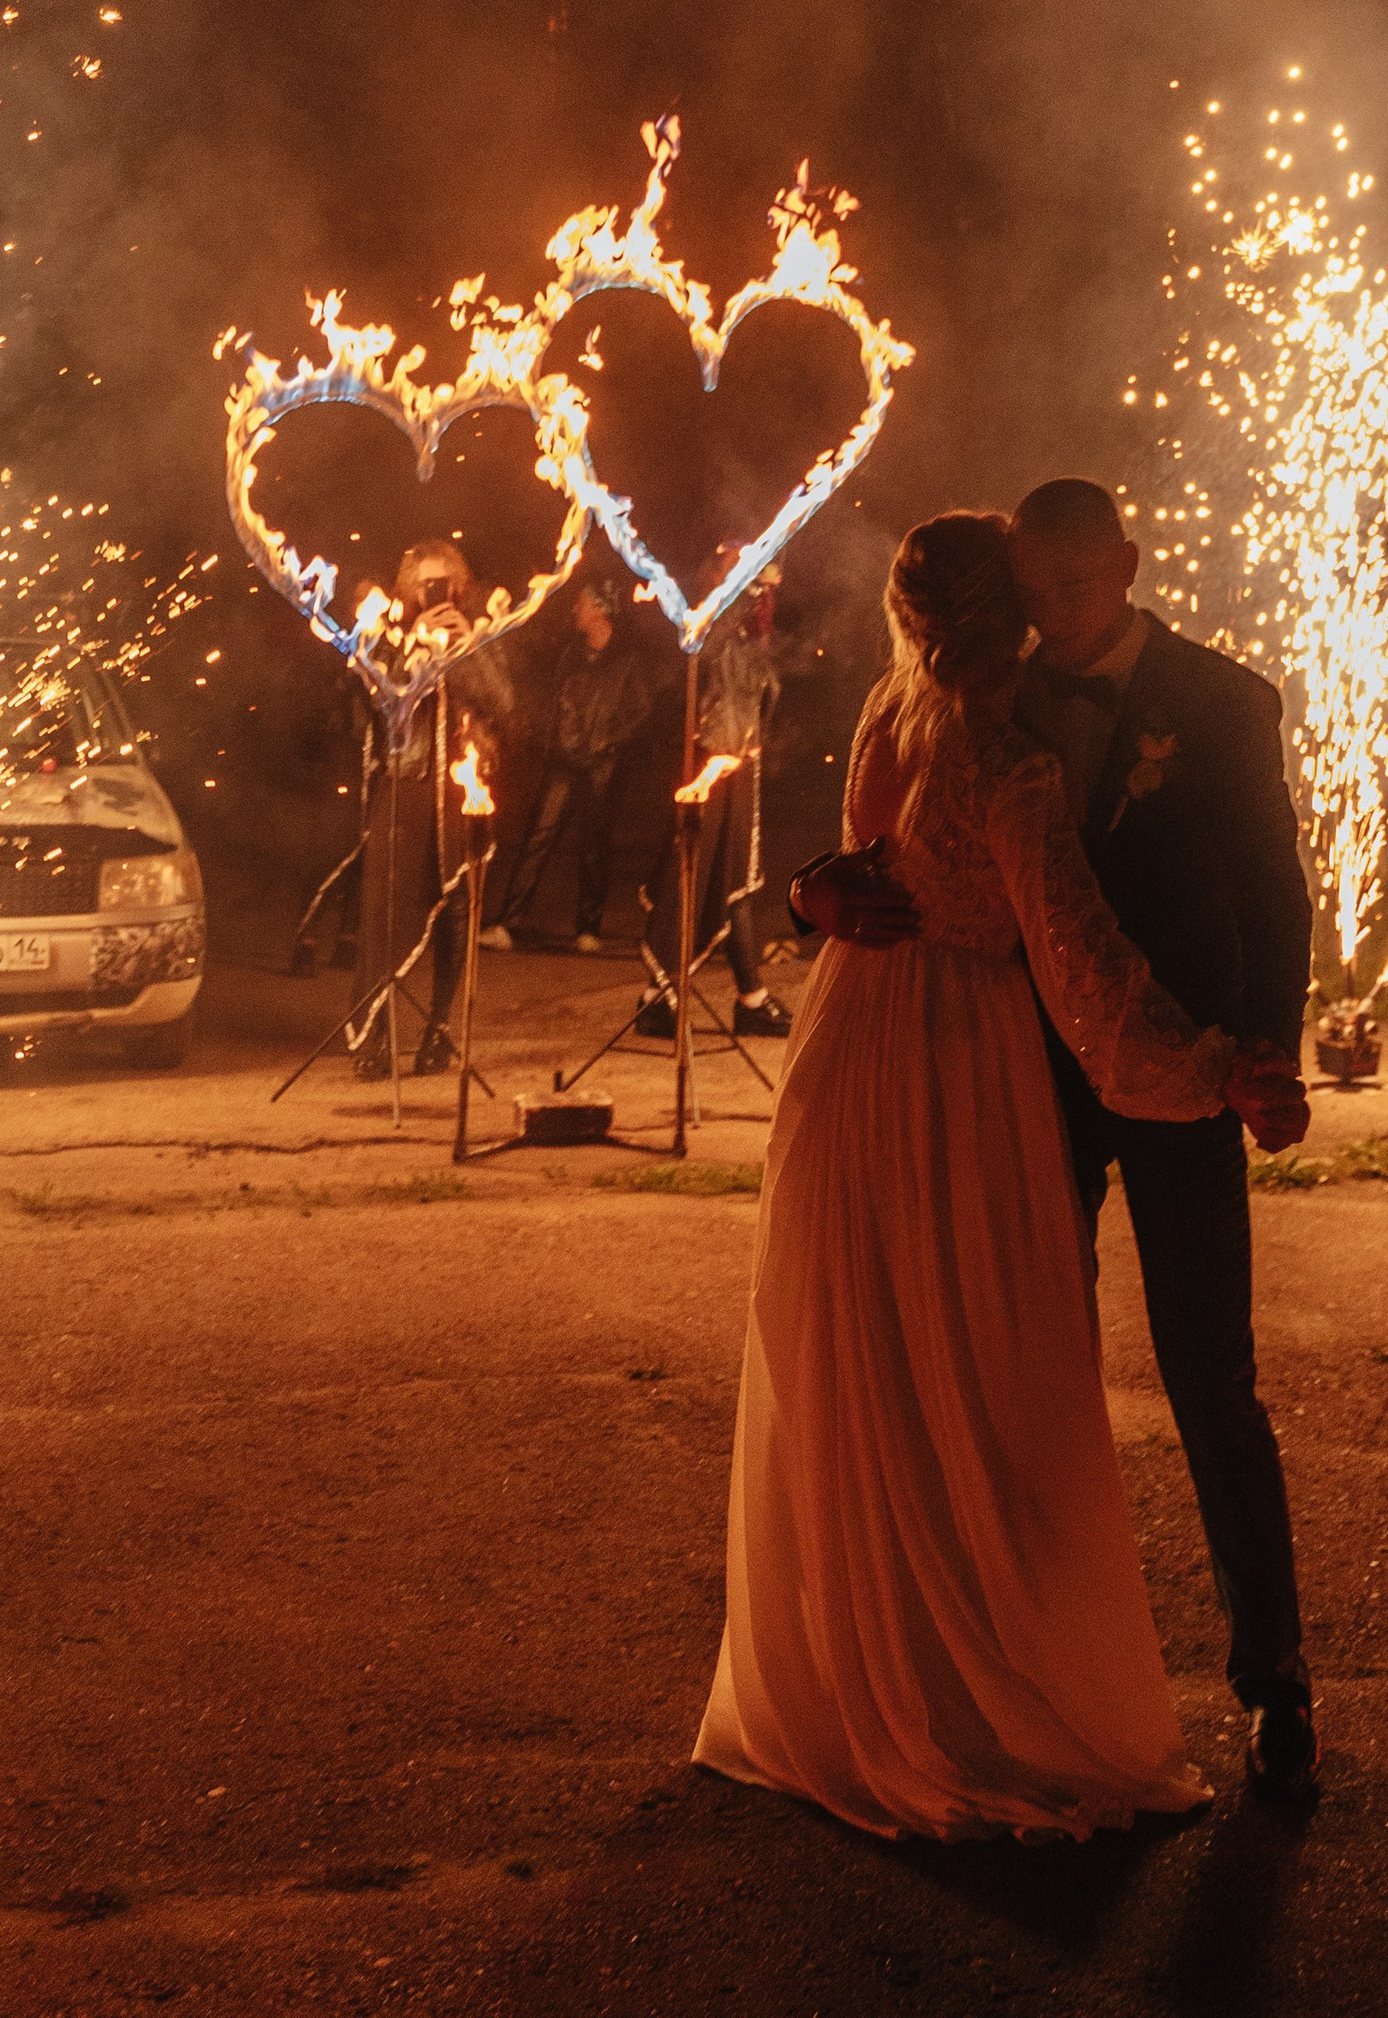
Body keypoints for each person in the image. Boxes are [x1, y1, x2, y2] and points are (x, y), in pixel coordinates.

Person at [697, 512, 1262, 1840]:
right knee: (984, 1380)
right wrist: (1209, 1067)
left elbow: (864, 858)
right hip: (958, 1067)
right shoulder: (1004, 761)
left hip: (853, 1053)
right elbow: (1077, 961)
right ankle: (971, 1704)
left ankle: (859, 1684)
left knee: (875, 1372)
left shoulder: (888, 712)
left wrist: (813, 901)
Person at [347, 539, 513, 1077]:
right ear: (407, 588)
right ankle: (372, 1032)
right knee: (385, 911)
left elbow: (504, 704)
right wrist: (415, 648)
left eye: (443, 584)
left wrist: (464, 649)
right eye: (424, 584)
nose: (434, 593)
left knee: (456, 912)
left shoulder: (478, 632)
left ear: (459, 586)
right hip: (406, 786)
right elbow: (379, 702)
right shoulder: (389, 635)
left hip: (462, 791)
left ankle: (439, 1028)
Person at [632, 553, 791, 1042]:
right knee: (697, 873)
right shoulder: (708, 621)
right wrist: (738, 596)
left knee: (731, 875)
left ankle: (749, 996)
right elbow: (694, 666)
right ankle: (661, 996)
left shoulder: (750, 635)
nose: (760, 590)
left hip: (738, 765)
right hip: (705, 763)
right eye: (748, 579)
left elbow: (761, 703)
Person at [480, 573, 648, 952]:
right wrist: (558, 741)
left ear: (602, 610)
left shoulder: (627, 660)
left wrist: (607, 743)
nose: (576, 608)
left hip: (603, 767)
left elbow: (640, 712)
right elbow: (558, 702)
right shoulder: (570, 654)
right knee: (538, 837)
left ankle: (587, 928)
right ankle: (508, 923)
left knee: (594, 846)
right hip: (564, 761)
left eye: (583, 602)